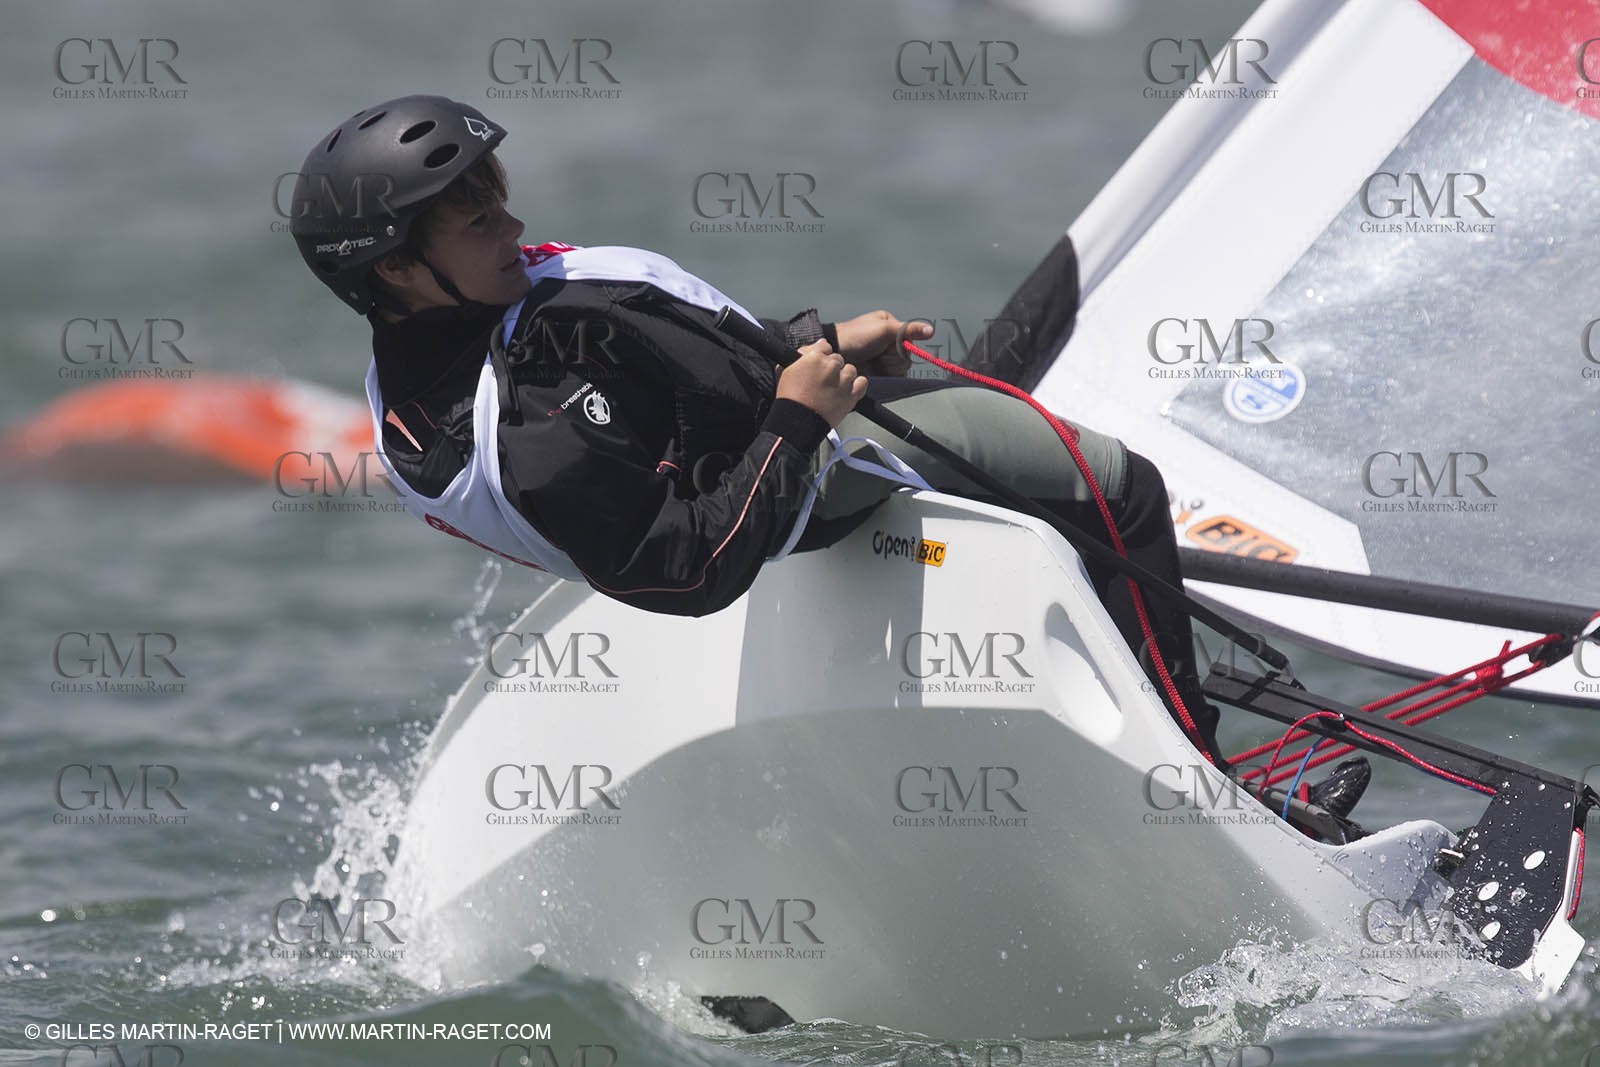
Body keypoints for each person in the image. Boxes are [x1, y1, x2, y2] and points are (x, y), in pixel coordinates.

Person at [289, 94, 1320, 781]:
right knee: (1119, 484)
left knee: (964, 393)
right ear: (391, 268)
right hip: (812, 481)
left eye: (500, 209)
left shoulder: (448, 349)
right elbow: (688, 571)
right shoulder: (529, 427)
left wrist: (813, 346)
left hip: (788, 426)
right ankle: (1196, 771)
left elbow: (673, 376)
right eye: (478, 227)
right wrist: (802, 413)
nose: (514, 232)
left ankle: (1101, 655)